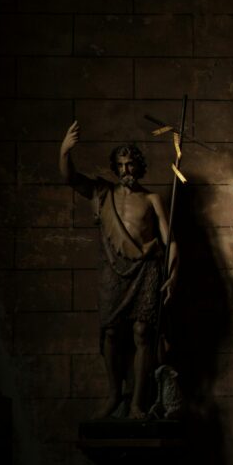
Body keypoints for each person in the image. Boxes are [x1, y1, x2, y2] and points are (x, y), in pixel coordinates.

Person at [59, 121, 179, 419]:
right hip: (114, 269)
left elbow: (170, 240)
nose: (126, 170)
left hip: (146, 269)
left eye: (131, 164)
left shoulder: (151, 199)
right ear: (115, 168)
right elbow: (70, 178)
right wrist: (64, 151)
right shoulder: (103, 192)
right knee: (111, 331)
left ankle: (137, 403)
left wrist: (174, 274)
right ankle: (114, 394)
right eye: (121, 165)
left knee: (143, 332)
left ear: (139, 167)